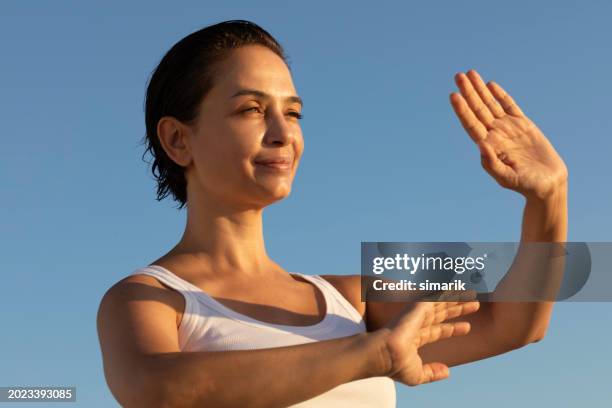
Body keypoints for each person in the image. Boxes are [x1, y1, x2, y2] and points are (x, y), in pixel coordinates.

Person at [96, 20, 568, 408]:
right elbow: (159, 390)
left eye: (294, 113)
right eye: (251, 110)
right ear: (179, 139)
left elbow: (515, 324)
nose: (283, 133)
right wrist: (372, 353)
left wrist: (548, 198)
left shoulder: (352, 296)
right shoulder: (147, 299)